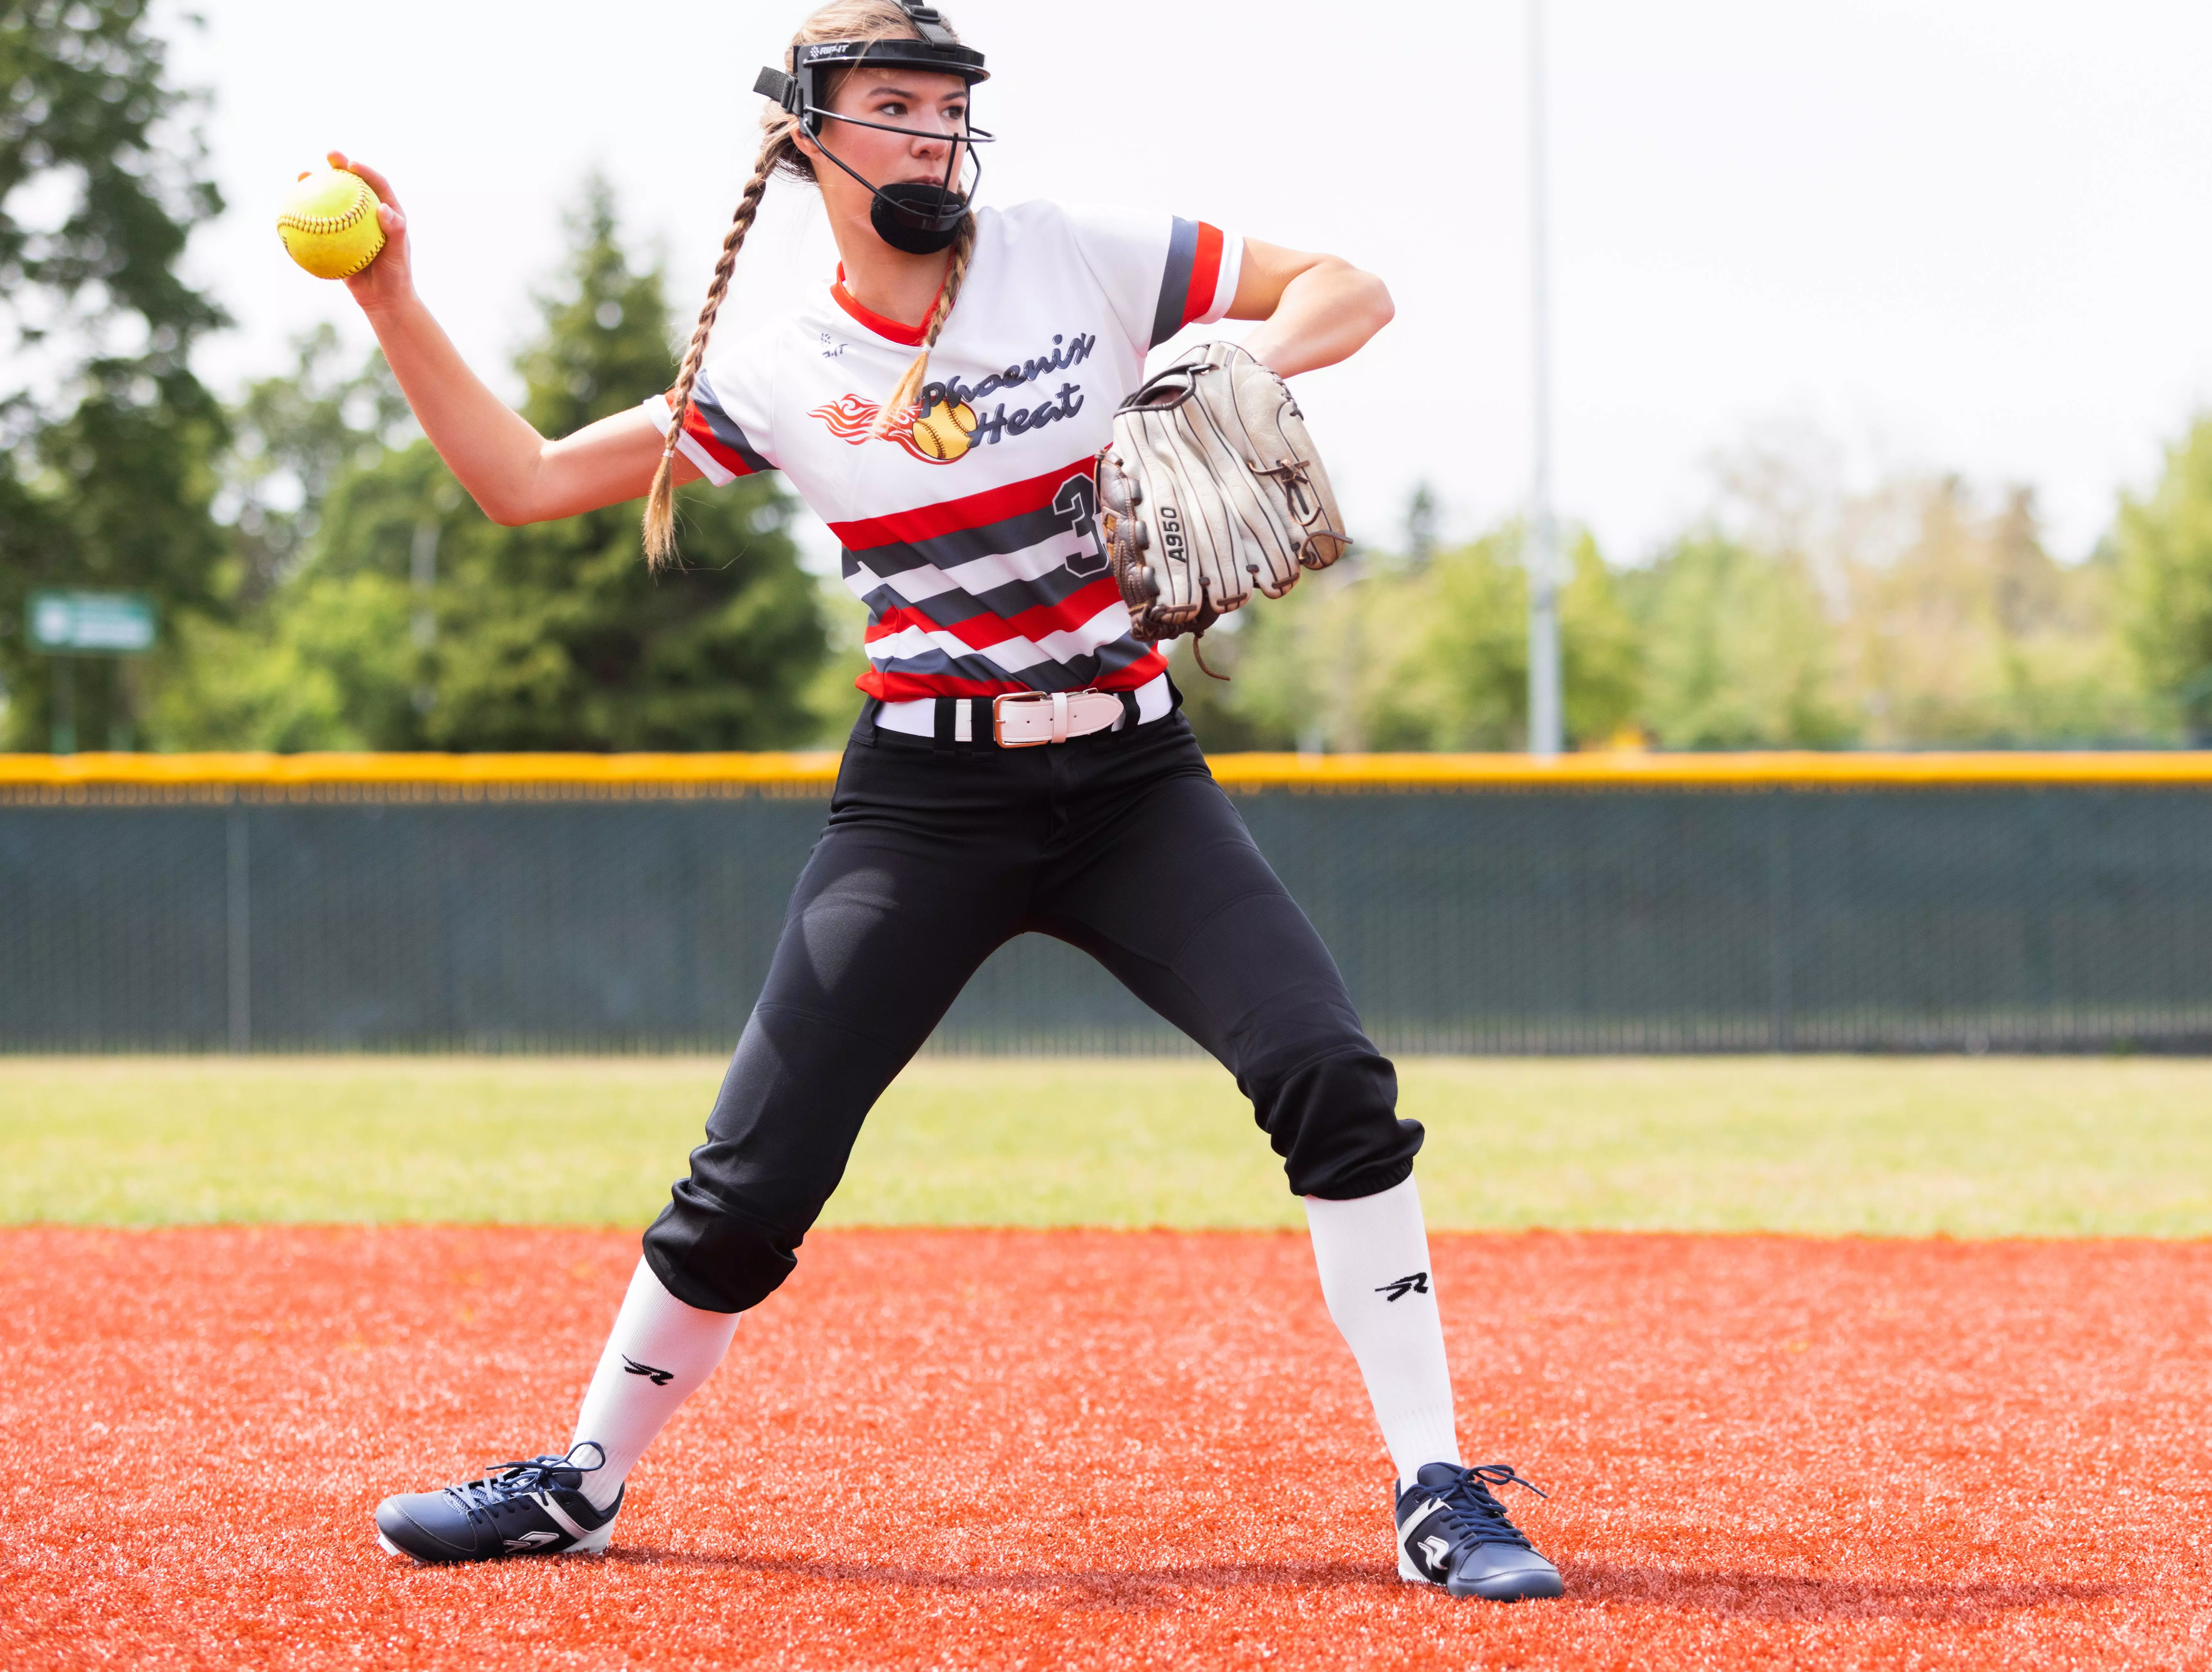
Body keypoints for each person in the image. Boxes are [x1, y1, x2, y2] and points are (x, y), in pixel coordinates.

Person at [345, 0, 1562, 1603]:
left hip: (1130, 778)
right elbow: (520, 482)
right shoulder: (779, 373)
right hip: (924, 801)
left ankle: (1435, 1485)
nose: (929, 135)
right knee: (756, 1172)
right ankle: (580, 1481)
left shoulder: (1073, 255)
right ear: (806, 136)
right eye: (893, 106)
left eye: (944, 107)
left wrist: (1225, 356)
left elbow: (1351, 285)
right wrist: (391, 298)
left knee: (1327, 1072)